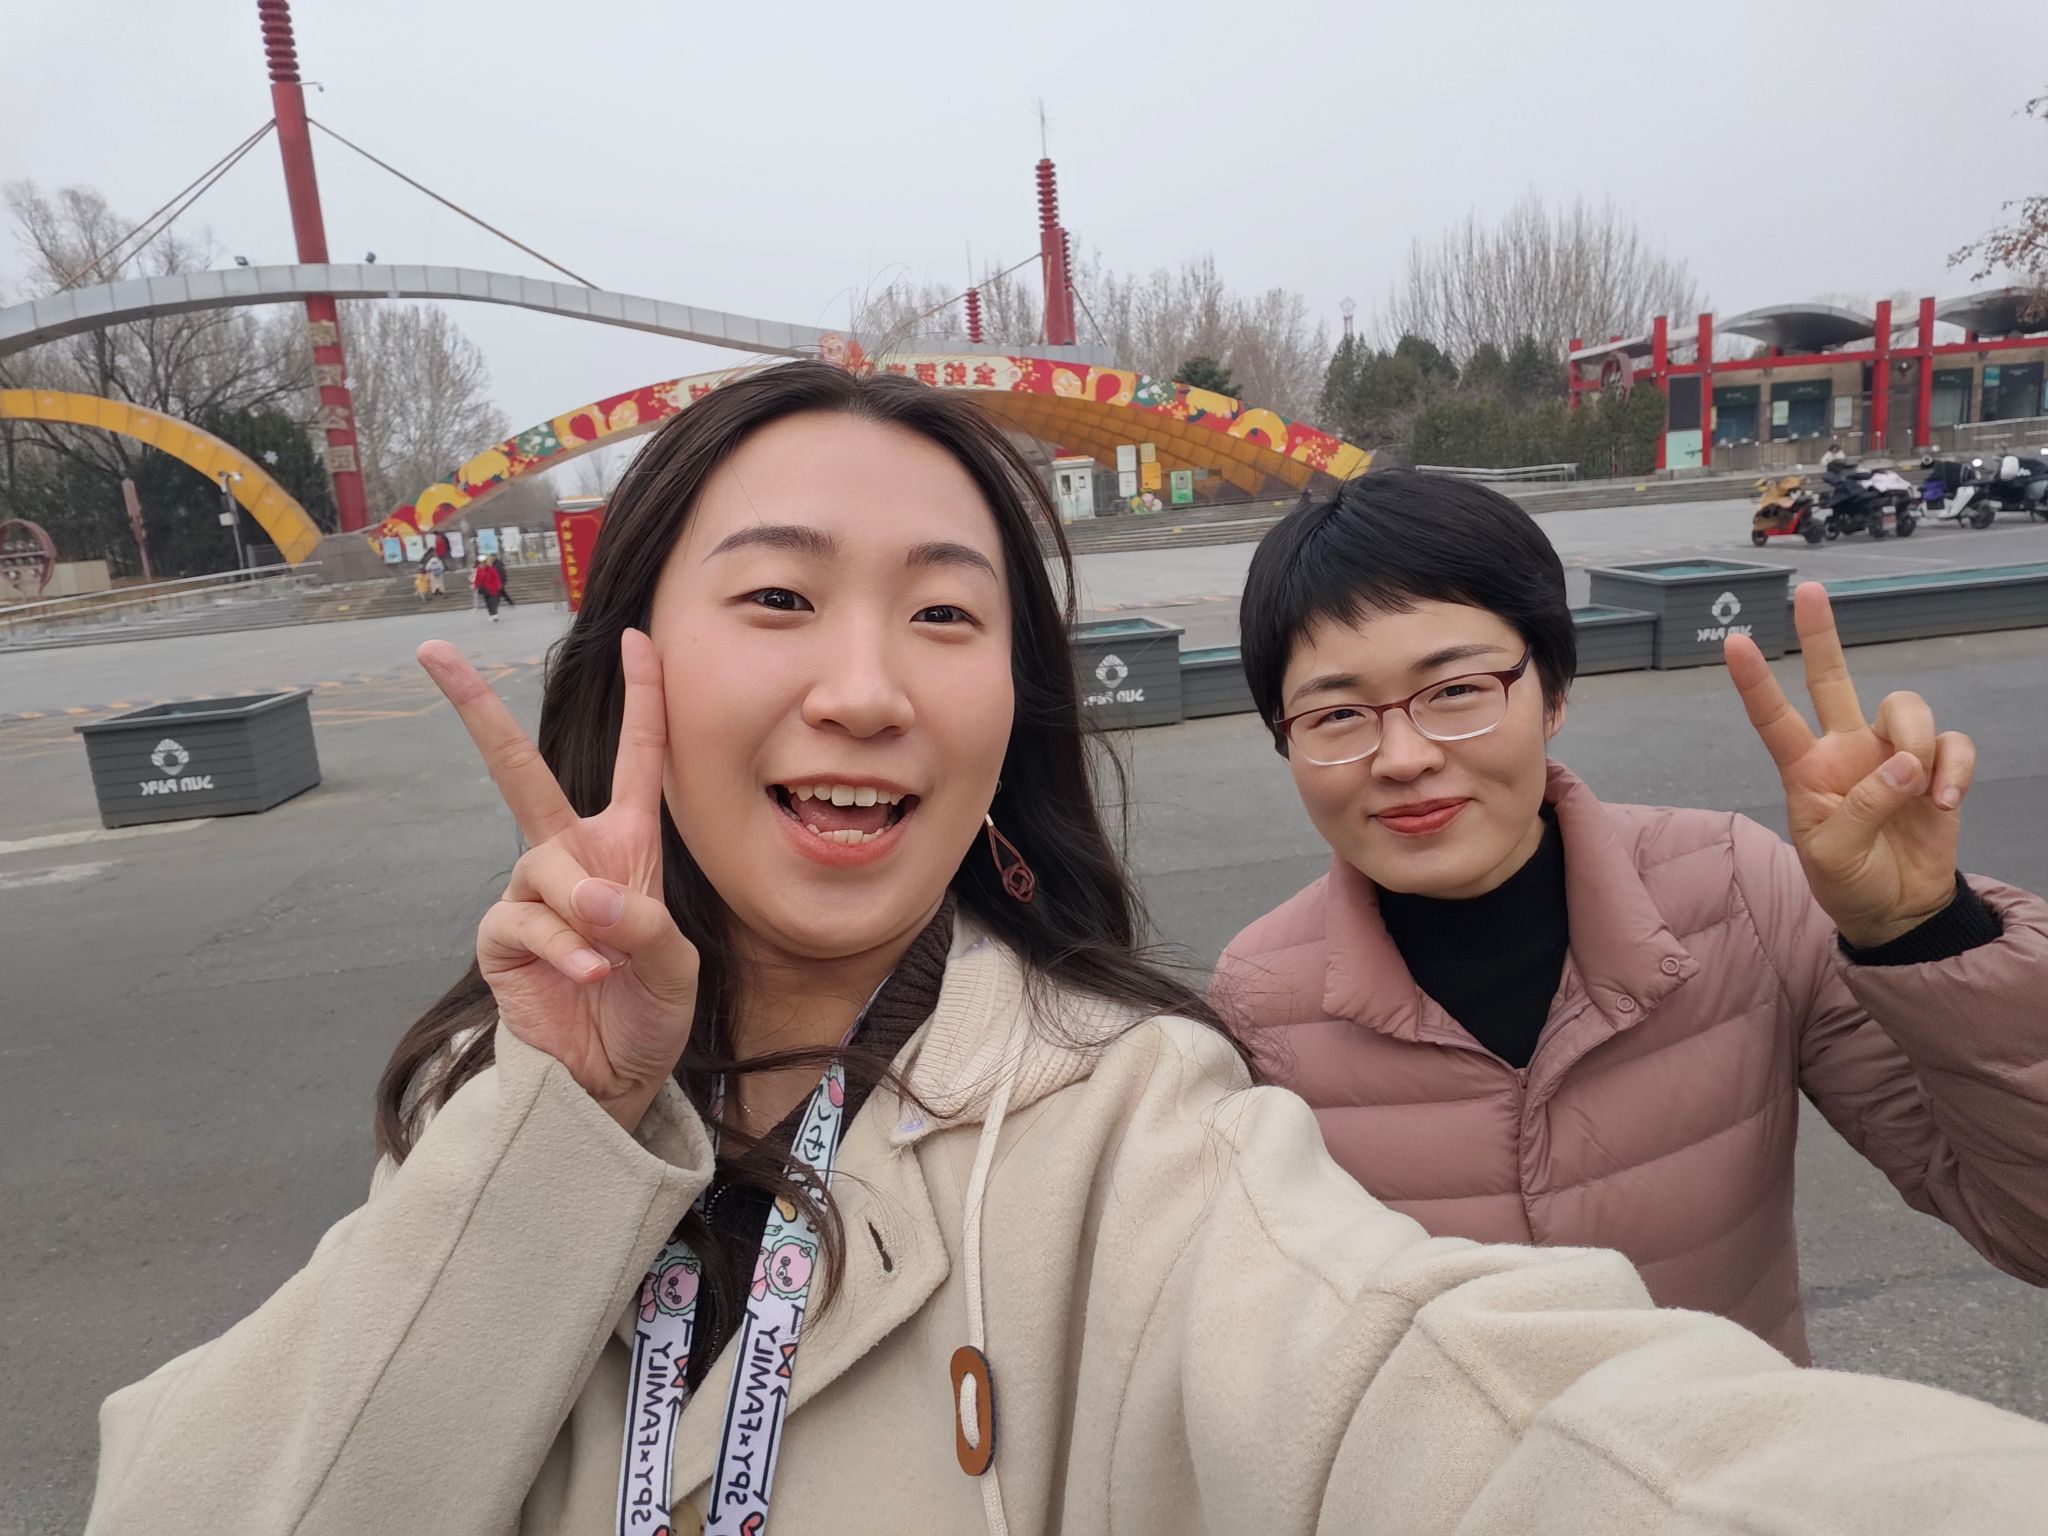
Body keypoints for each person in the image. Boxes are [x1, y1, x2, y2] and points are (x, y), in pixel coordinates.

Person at [85, 368, 2048, 1536]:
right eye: (777, 598)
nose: (865, 686)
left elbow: (1438, 1386)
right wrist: (558, 1132)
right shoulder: (492, 1092)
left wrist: (1919, 929)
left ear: (1553, 685)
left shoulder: (1140, 1100)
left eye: (946, 616)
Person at [1213, 470, 2048, 1363]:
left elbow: (2029, 1228)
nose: (1404, 757)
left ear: (1554, 692)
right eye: (1338, 714)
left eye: (1455, 690)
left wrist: (1924, 933)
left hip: (1722, 1451)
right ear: (1284, 740)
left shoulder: (1739, 892)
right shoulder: (1257, 1002)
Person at [473, 551, 506, 622]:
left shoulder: (491, 568)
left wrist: (499, 585)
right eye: (481, 562)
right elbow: (477, 579)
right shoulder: (478, 570)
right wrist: (475, 586)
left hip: (493, 588)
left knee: (492, 602)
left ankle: (495, 615)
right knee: (488, 603)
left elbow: (496, 577)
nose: (482, 564)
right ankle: (491, 614)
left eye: (483, 562)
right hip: (484, 589)